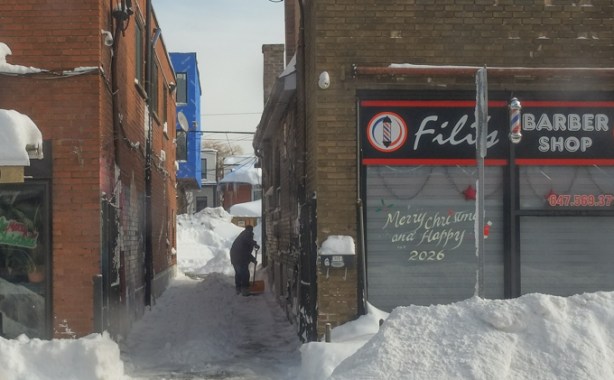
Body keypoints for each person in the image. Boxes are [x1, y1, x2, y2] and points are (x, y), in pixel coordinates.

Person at [229, 225, 259, 295]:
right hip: (240, 258)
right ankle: (244, 290)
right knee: (245, 274)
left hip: (235, 257)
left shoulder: (242, 236)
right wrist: (254, 244)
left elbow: (246, 251)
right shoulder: (247, 235)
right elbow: (246, 249)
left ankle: (238, 289)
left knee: (239, 274)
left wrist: (253, 259)